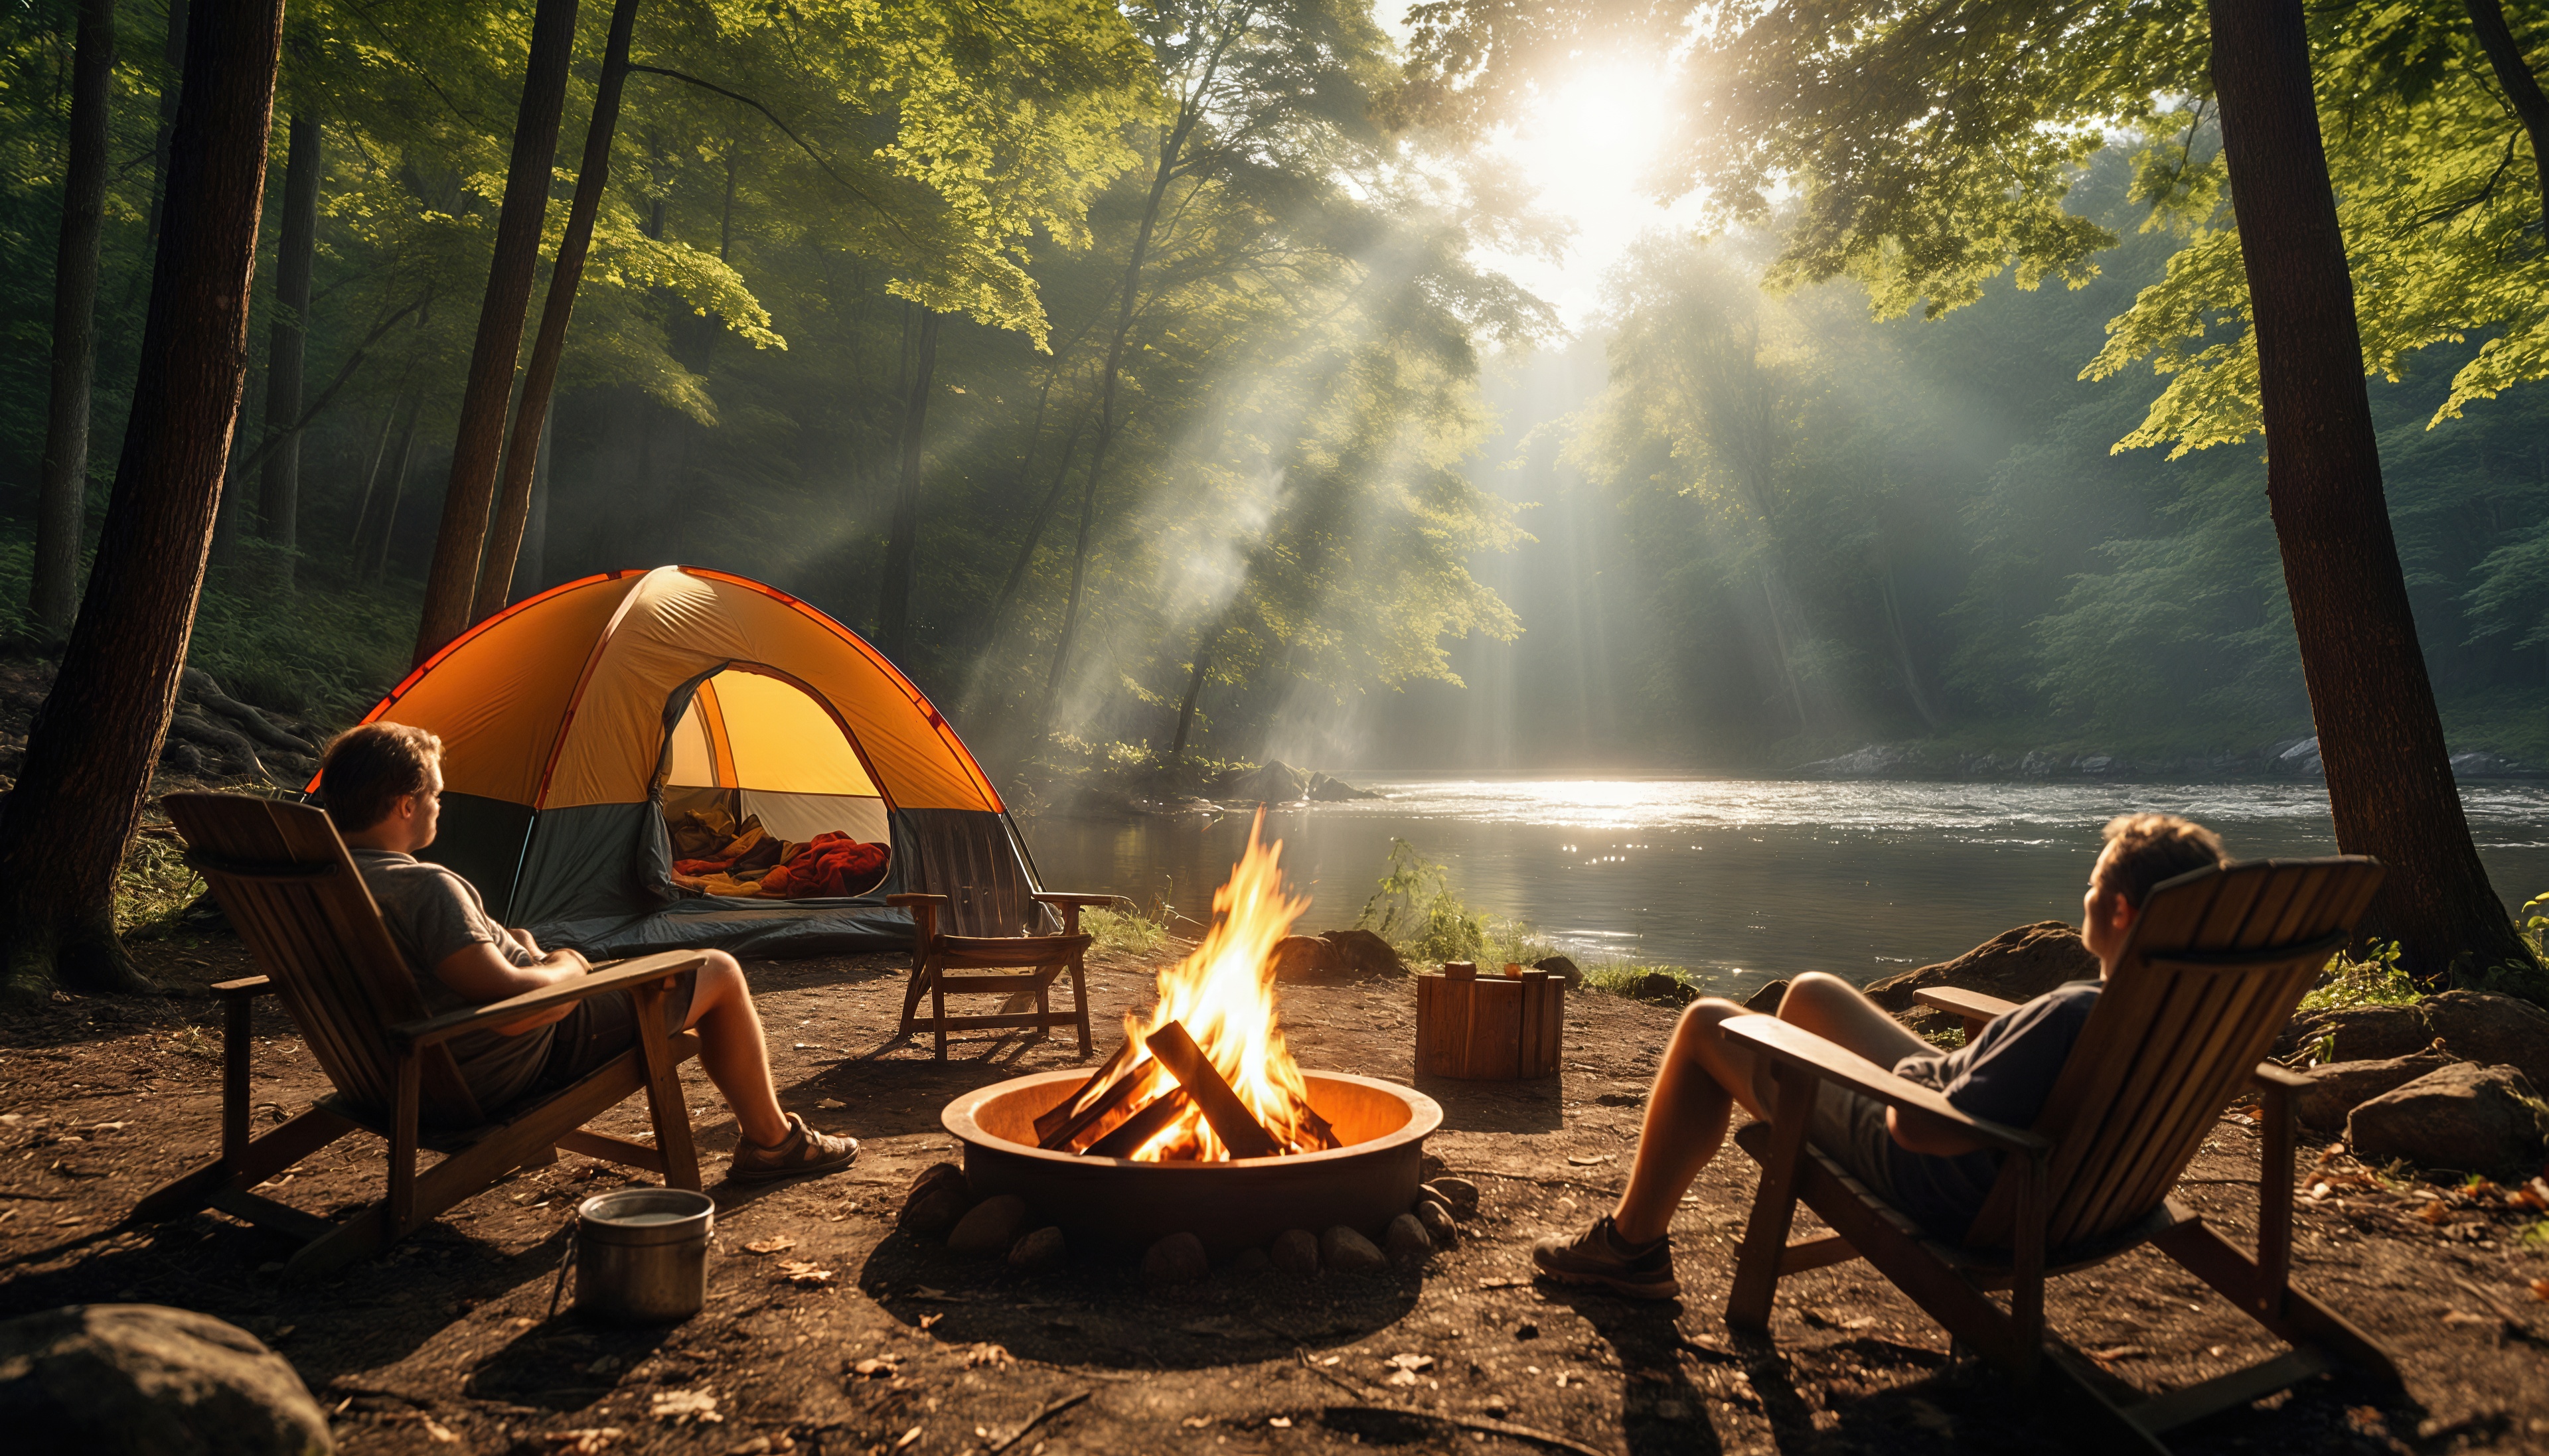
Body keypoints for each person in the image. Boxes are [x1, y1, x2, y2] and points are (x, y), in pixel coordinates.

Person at [1533, 812, 2227, 1299]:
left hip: (1947, 1172)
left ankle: (1631, 1247)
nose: (2086, 893)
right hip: (2054, 1177)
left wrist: (1913, 1078)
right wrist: (1965, 1063)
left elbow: (1920, 1128)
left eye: (2095, 881)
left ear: (2124, 912)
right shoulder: (2186, 1017)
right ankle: (1637, 1239)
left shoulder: (2074, 1013)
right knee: (1811, 993)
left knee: (1708, 1021)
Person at [317, 721, 858, 1183]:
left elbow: (452, 970)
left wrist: (520, 950)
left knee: (657, 967)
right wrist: (567, 965)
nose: (440, 805)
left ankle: (773, 1139)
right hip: (495, 1070)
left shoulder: (329, 884)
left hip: (391, 1075)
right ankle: (775, 1143)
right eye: (436, 794)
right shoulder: (425, 887)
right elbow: (520, 1010)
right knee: (717, 970)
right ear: (405, 803)